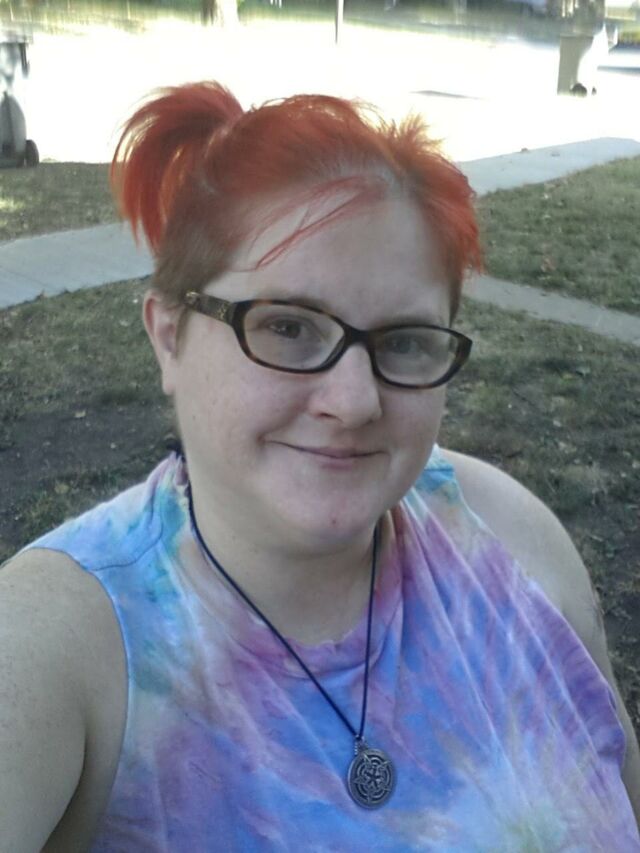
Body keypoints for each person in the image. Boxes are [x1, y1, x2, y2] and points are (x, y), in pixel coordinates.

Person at [1, 81, 638, 851]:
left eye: (405, 341)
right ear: (168, 336)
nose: (354, 400)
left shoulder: (508, 537)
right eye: (288, 327)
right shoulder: (62, 646)